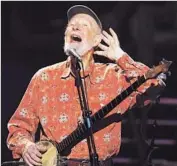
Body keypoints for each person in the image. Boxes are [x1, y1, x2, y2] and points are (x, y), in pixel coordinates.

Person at [7, 5, 166, 166]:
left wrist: (121, 57)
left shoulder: (114, 77)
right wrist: (26, 147)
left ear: (96, 40)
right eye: (71, 25)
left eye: (84, 25)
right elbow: (18, 126)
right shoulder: (44, 78)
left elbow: (154, 86)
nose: (75, 26)